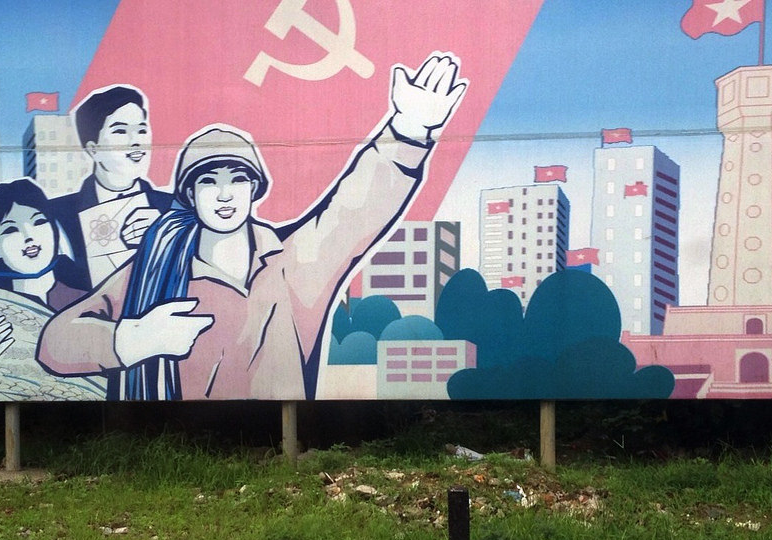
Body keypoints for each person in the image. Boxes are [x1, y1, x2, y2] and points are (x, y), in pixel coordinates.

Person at [38, 53, 466, 401]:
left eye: (237, 179)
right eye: (208, 181)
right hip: (179, 448)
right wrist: (131, 340)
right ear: (189, 194)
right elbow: (56, 341)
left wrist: (408, 132)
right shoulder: (157, 268)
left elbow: (354, 210)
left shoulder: (292, 265)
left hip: (281, 449)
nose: (224, 194)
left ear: (254, 188)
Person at [50, 85, 174, 291]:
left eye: (142, 130)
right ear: (93, 149)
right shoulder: (57, 214)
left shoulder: (172, 207)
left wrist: (165, 234)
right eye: (120, 131)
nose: (136, 142)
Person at [0, 179, 85, 311]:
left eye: (39, 221)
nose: (28, 236)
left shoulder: (86, 298)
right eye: (11, 229)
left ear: (54, 230)